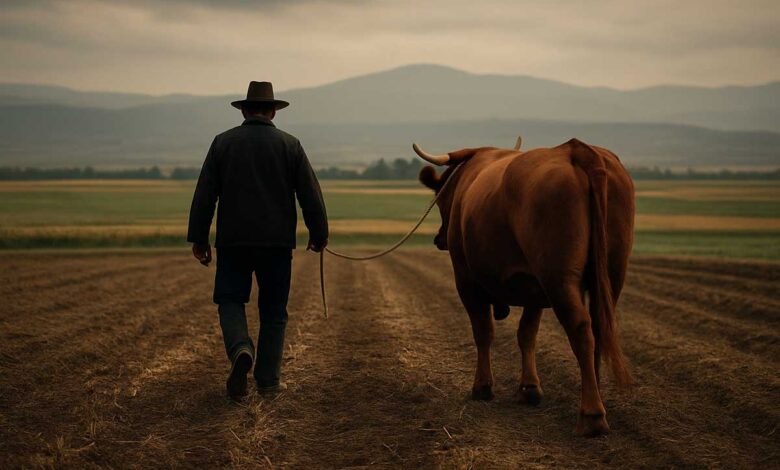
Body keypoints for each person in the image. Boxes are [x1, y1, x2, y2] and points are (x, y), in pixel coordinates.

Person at [187, 81, 328, 399]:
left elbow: (205, 194)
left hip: (233, 242)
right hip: (277, 244)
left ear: (245, 109)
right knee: (274, 311)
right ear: (274, 110)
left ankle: (240, 348)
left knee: (230, 300)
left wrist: (199, 238)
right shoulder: (290, 145)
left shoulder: (223, 143)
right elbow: (310, 195)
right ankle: (267, 381)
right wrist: (318, 234)